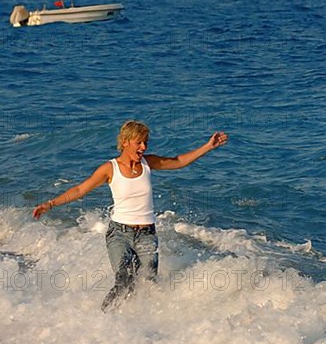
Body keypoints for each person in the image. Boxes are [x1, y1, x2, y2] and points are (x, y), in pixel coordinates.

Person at [33, 121, 228, 311]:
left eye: (146, 142)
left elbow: (178, 162)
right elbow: (80, 189)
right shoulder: (110, 168)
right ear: (125, 142)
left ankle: (134, 325)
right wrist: (50, 204)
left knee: (147, 284)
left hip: (147, 235)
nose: (143, 147)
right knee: (124, 279)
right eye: (139, 142)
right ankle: (104, 317)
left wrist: (208, 146)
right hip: (120, 234)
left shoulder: (148, 163)